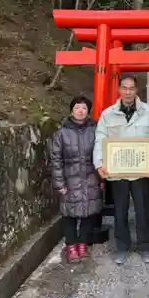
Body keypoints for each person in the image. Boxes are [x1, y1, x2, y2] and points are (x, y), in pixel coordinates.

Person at [93, 74, 149, 265]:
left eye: (131, 88)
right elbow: (100, 138)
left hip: (141, 170)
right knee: (120, 211)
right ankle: (122, 247)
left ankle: (146, 246)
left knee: (143, 210)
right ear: (119, 90)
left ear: (136, 90)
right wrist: (99, 163)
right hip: (118, 171)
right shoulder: (108, 114)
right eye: (124, 88)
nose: (128, 92)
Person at [51, 95, 101, 263]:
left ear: (88, 111)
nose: (81, 111)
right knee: (69, 215)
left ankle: (82, 244)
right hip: (70, 179)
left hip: (91, 177)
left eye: (84, 108)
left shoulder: (96, 130)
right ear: (72, 110)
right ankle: (71, 246)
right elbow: (56, 160)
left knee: (88, 214)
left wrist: (101, 179)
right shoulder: (61, 133)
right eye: (77, 107)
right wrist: (60, 184)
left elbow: (102, 153)